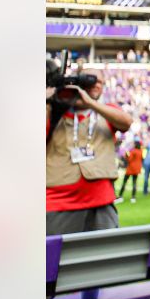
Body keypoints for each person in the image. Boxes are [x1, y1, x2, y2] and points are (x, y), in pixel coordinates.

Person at [46, 69, 134, 235]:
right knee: (55, 259)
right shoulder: (54, 111)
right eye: (90, 80)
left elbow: (126, 122)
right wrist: (49, 101)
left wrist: (90, 103)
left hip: (101, 201)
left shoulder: (105, 111)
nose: (95, 84)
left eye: (100, 82)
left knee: (104, 257)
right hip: (58, 202)